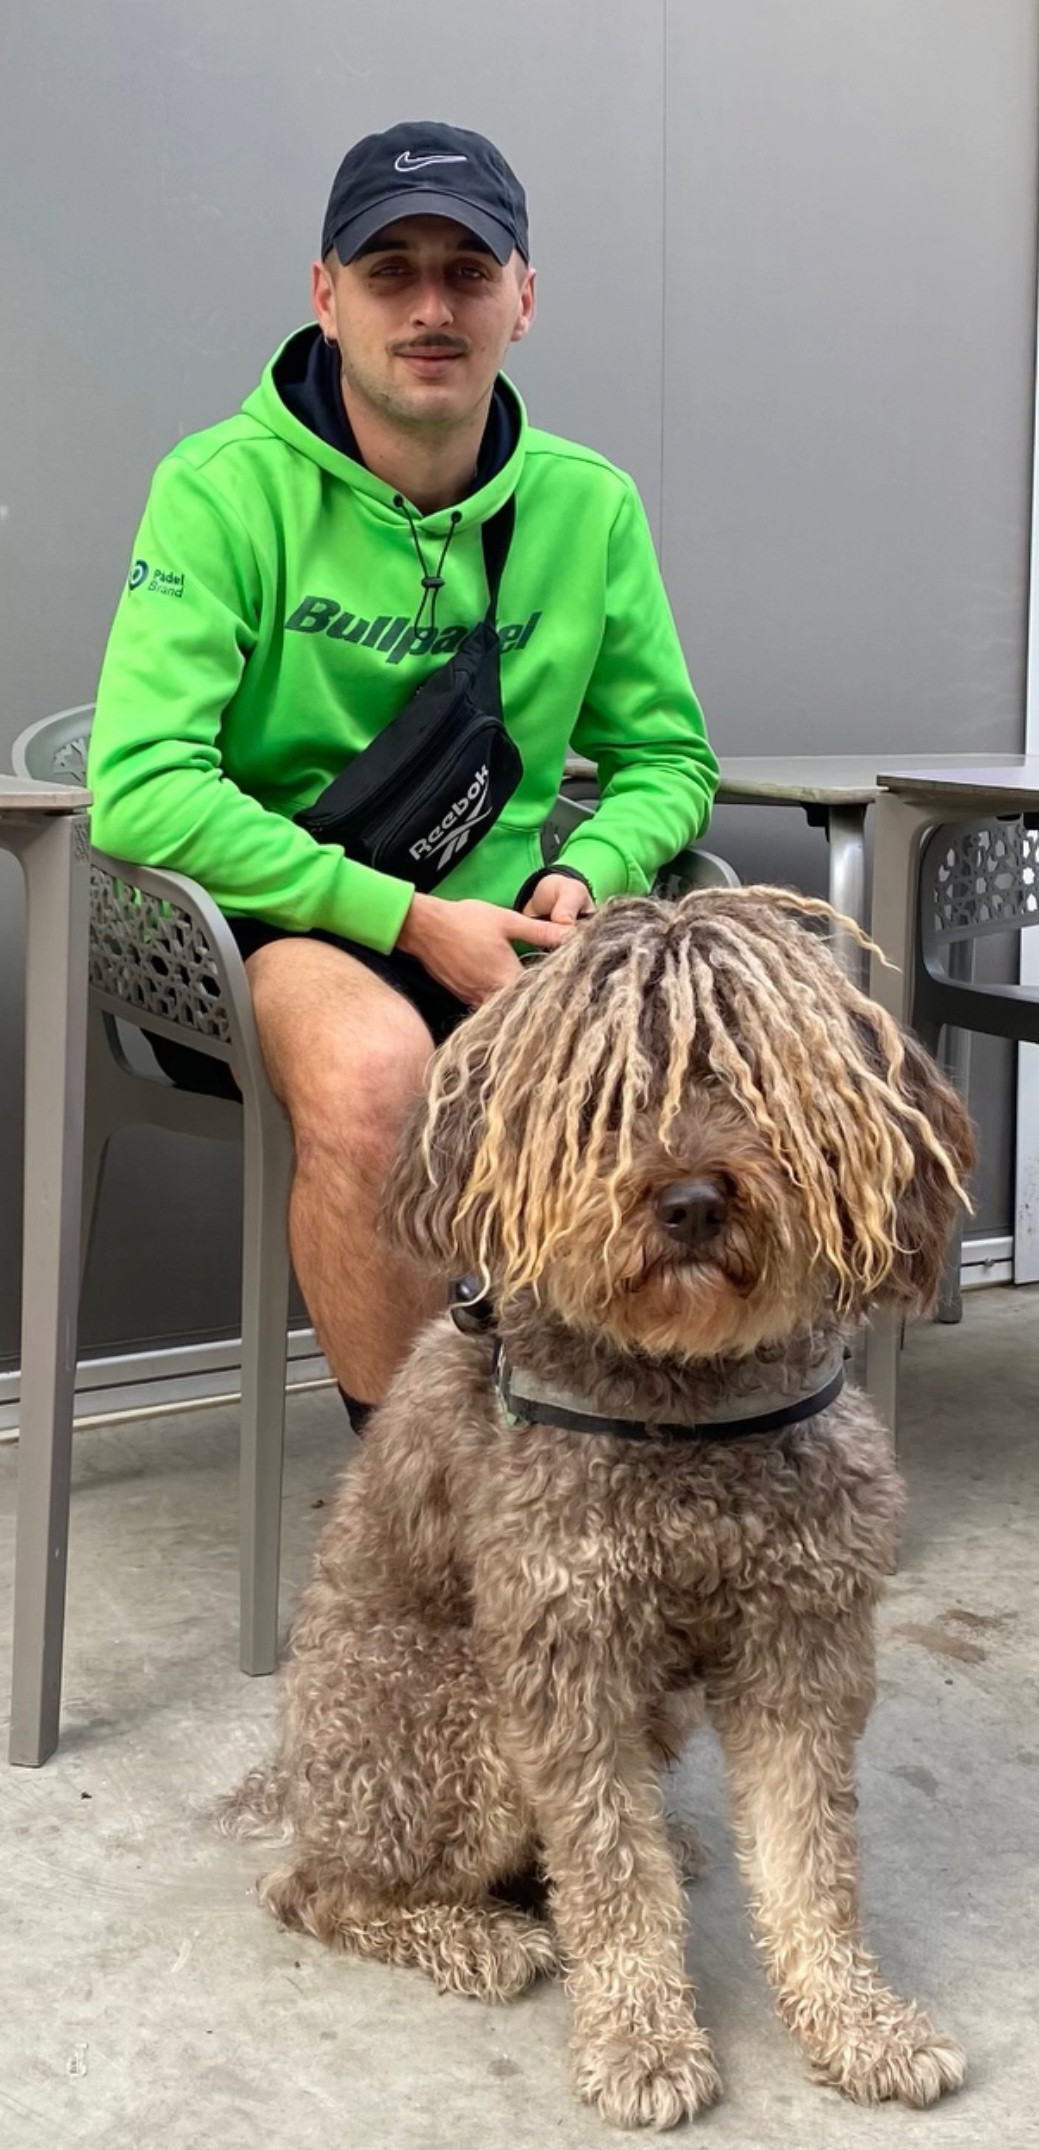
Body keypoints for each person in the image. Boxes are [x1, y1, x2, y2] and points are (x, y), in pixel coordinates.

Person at [88, 120, 719, 1432]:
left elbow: (668, 757)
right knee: (381, 1070)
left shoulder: (589, 506)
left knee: (720, 1055)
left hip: (512, 934)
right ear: (328, 296)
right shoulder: (218, 490)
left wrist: (589, 873)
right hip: (270, 927)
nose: (431, 308)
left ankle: (630, 1453)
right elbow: (141, 785)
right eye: (391, 272)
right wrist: (409, 920)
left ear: (522, 299)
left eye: (468, 271)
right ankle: (421, 1491)